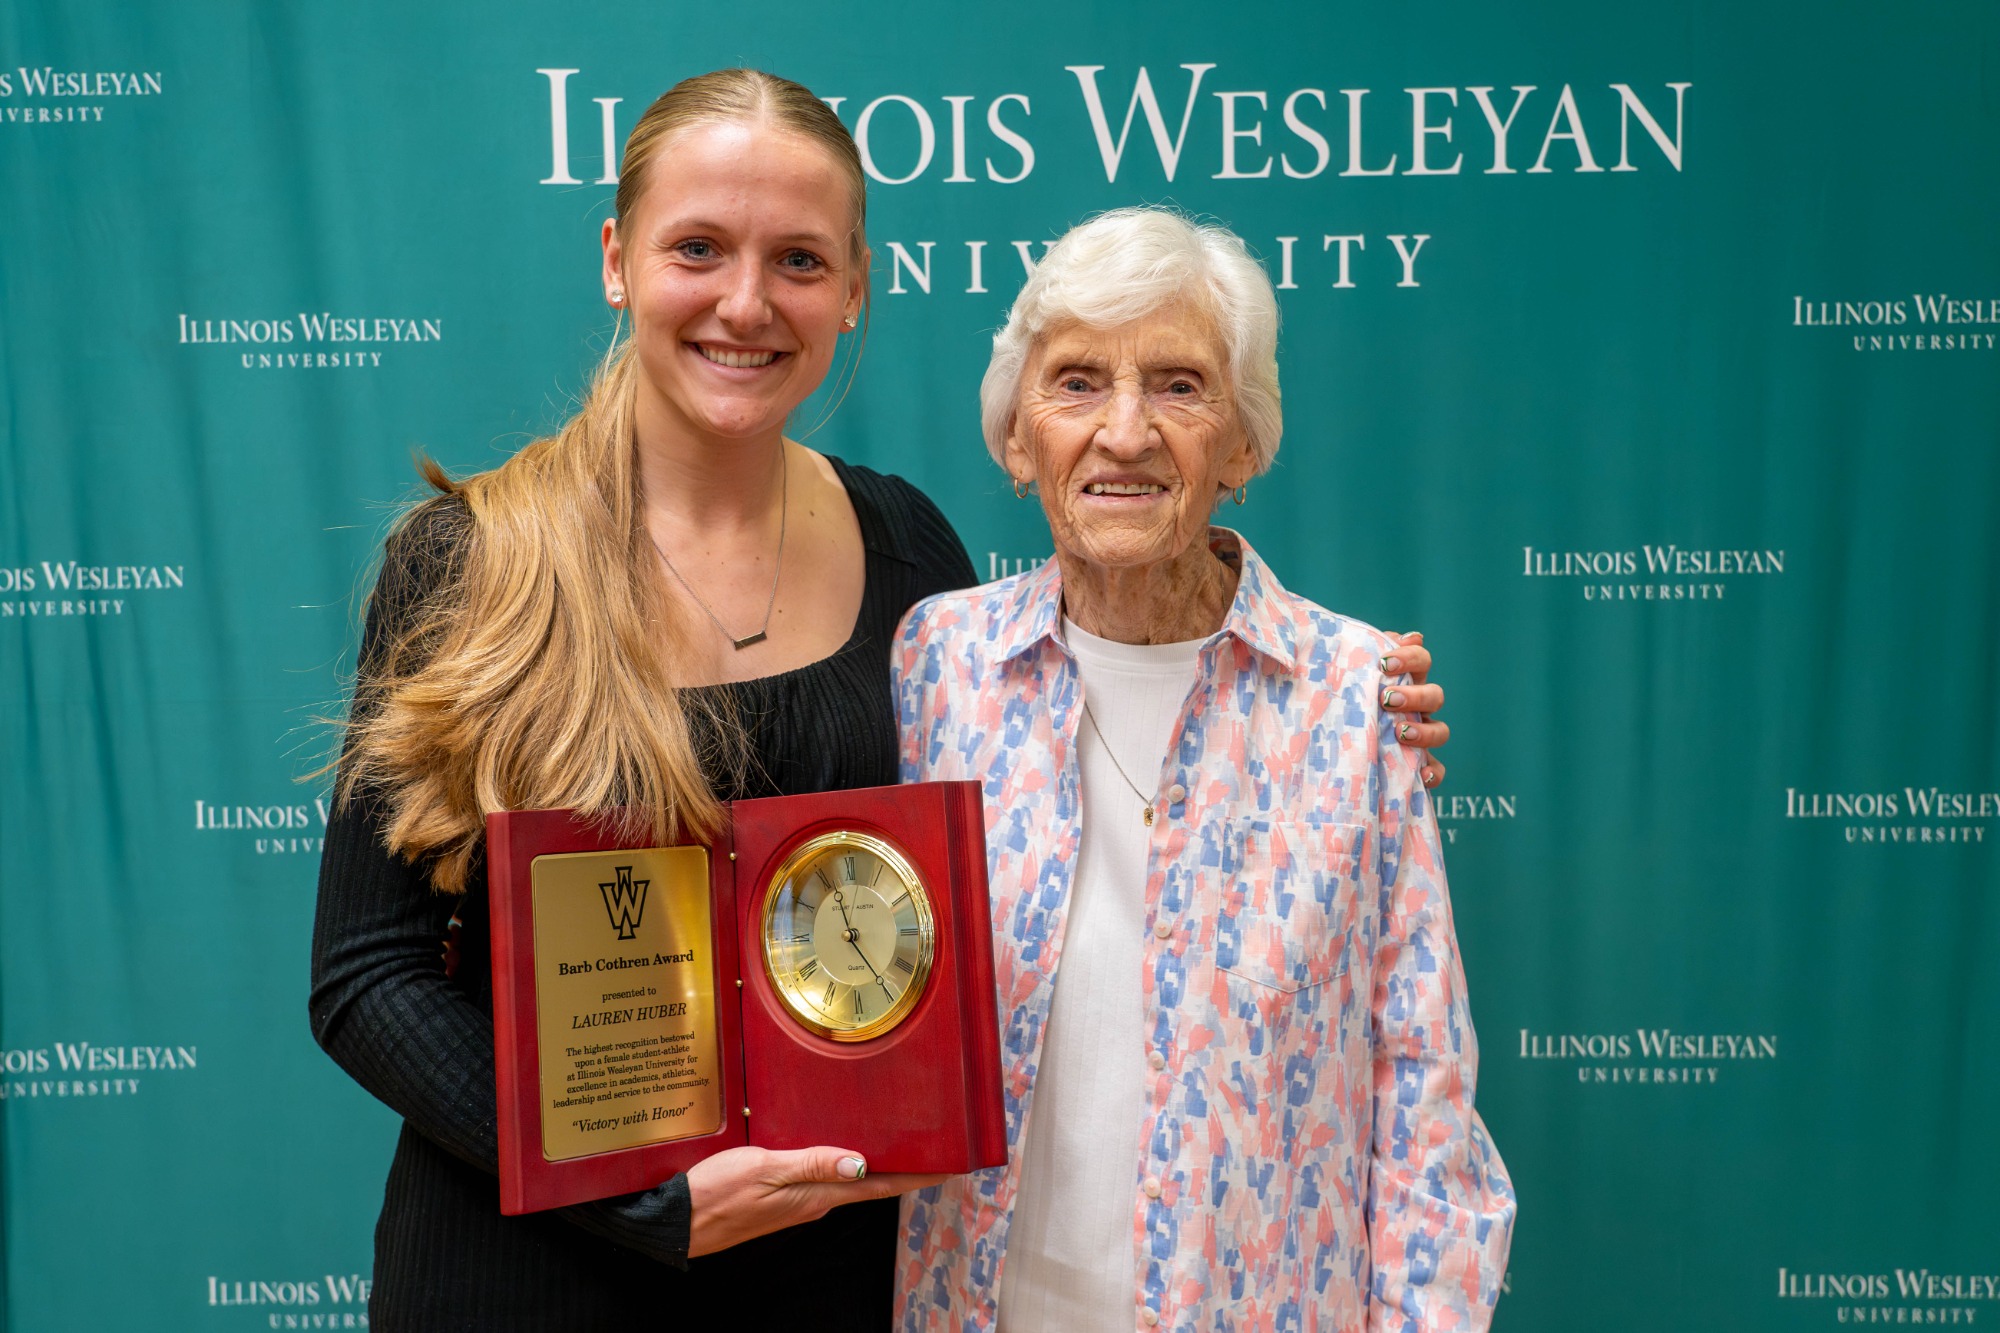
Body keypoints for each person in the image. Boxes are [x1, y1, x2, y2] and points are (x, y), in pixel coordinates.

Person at [310, 69, 1454, 1331]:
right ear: (616, 259)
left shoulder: (912, 562)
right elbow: (366, 975)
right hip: (529, 1280)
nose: (745, 302)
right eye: (698, 248)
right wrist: (638, 1191)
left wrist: (1351, 712)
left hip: (835, 1278)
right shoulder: (471, 561)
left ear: (854, 288)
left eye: (798, 259)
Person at [891, 207, 1513, 1332]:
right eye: (1076, 382)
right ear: (1016, 437)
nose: (1123, 432)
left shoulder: (1353, 694)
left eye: (1177, 385)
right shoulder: (935, 662)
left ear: (1240, 442)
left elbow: (1420, 1095)